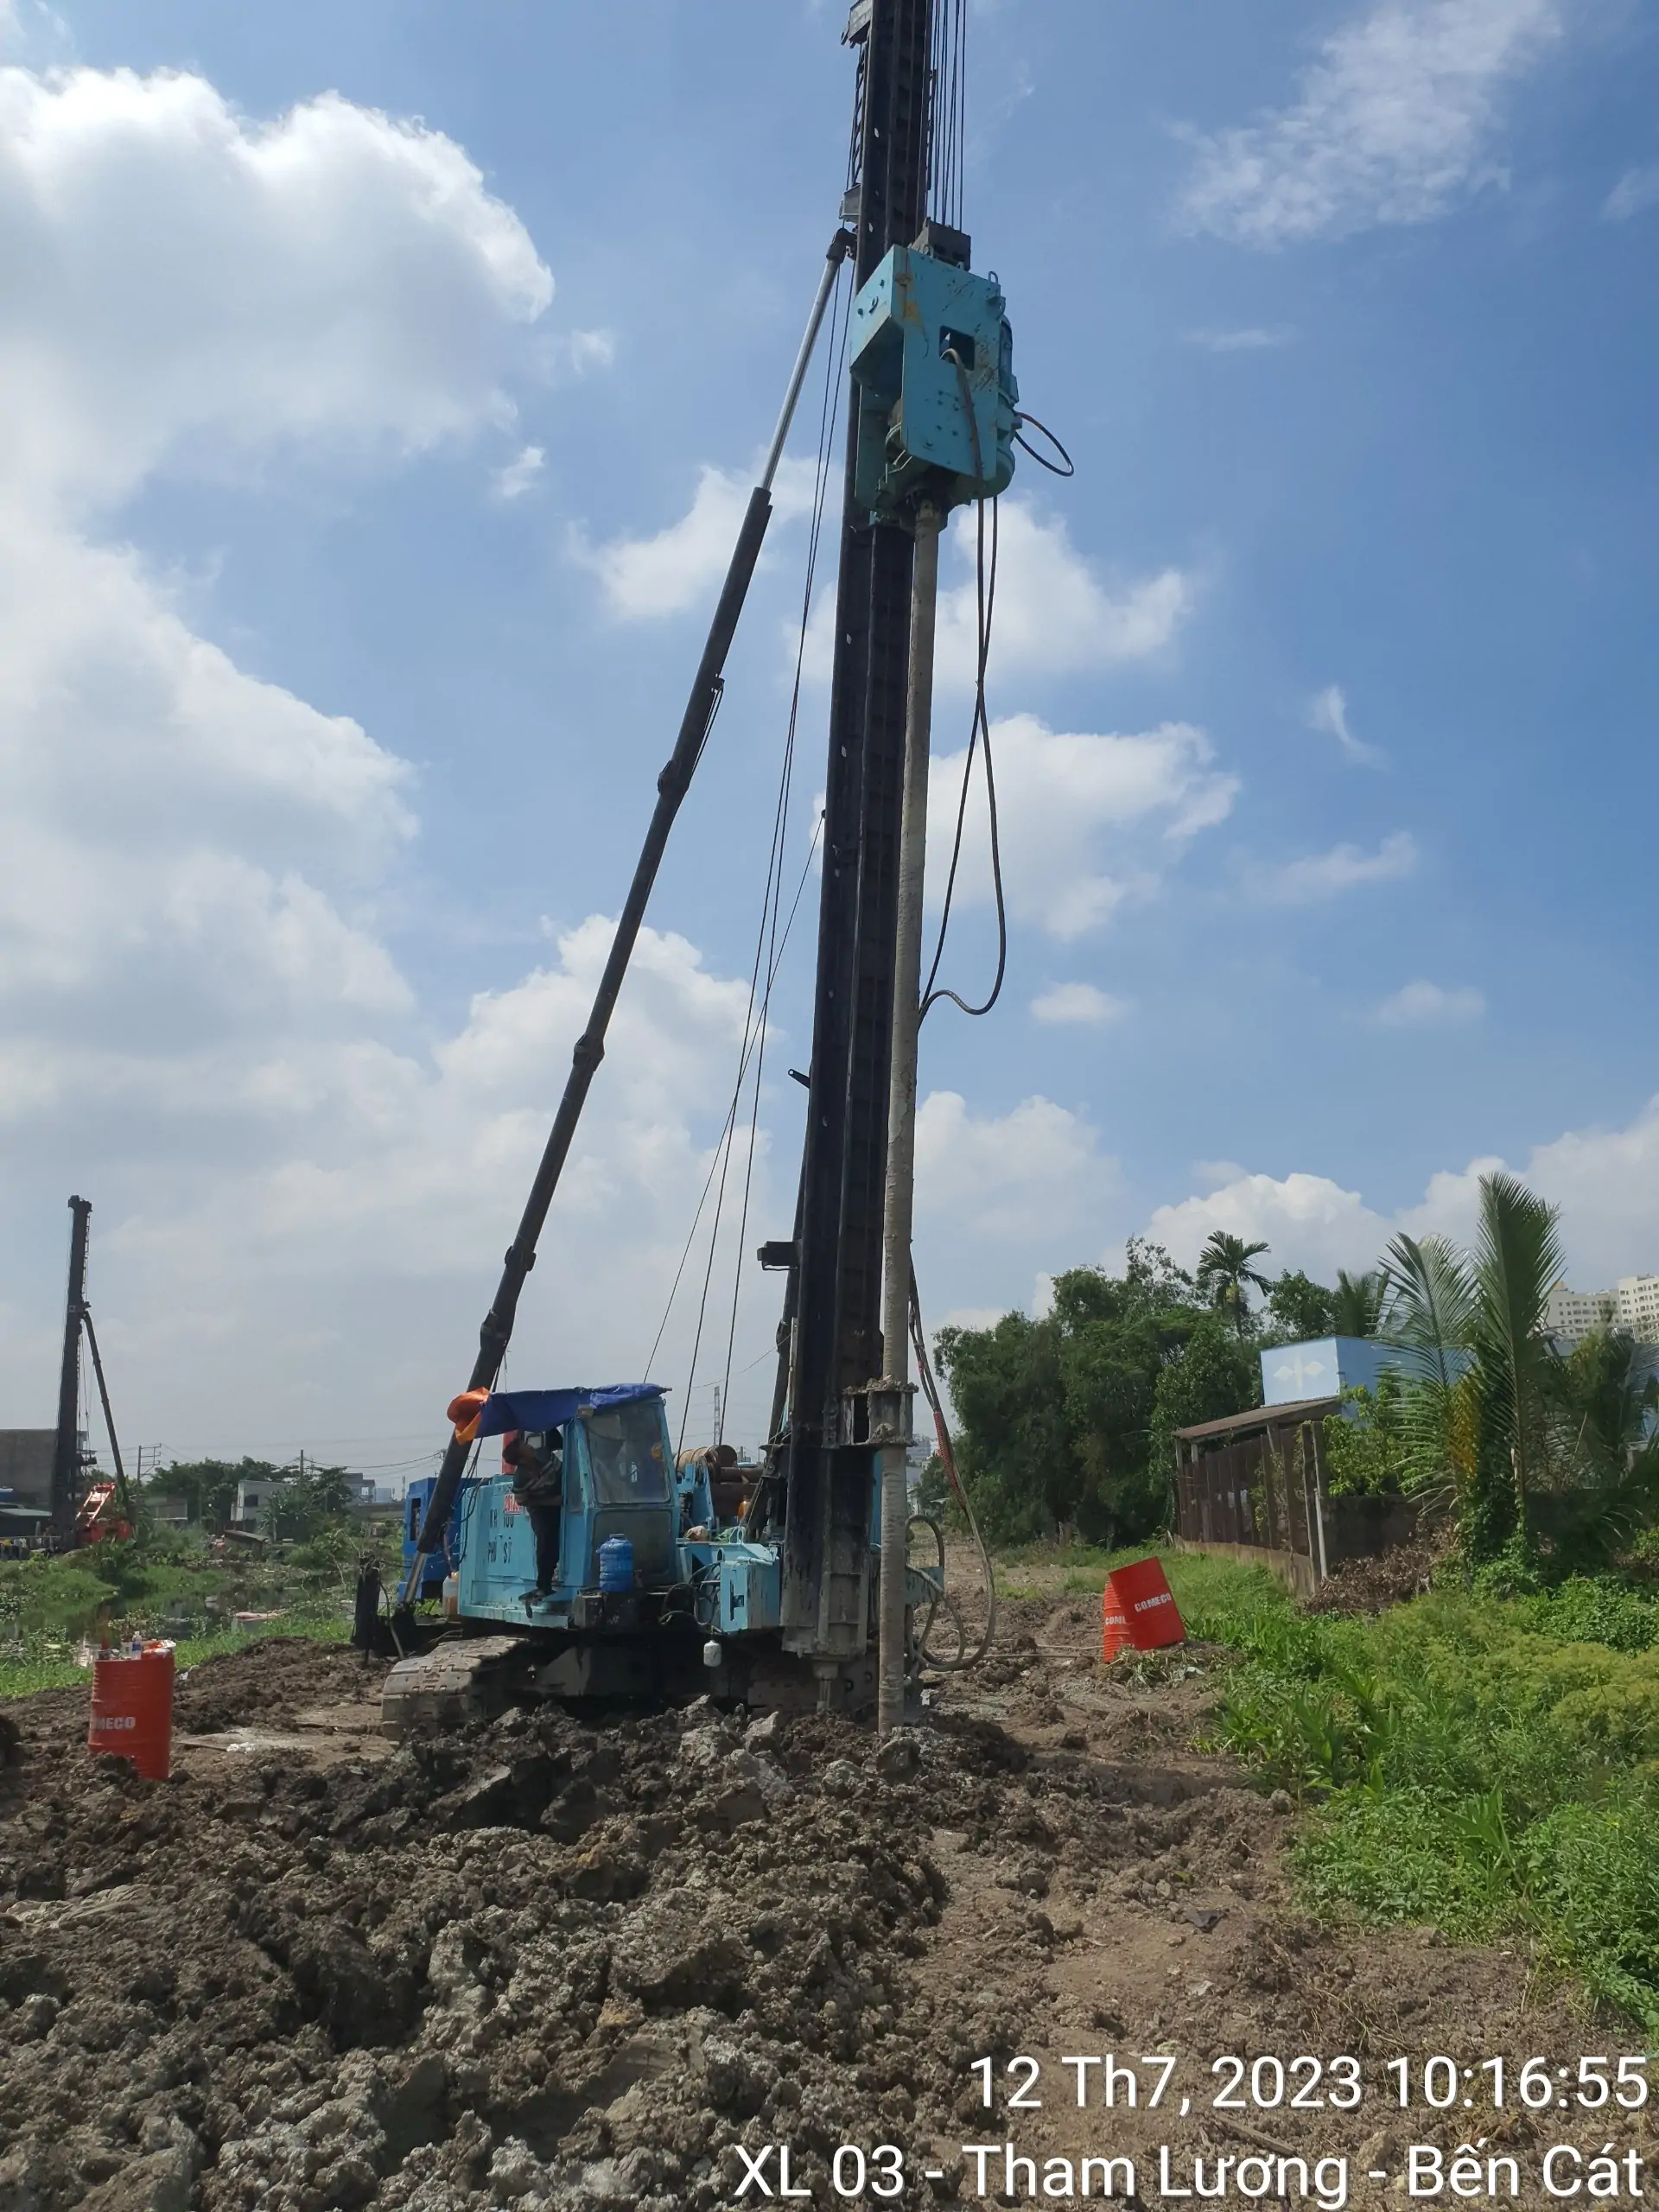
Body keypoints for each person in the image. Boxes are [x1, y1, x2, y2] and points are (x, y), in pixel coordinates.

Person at [503, 1431, 563, 1599]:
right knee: (545, 1538)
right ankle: (544, 1585)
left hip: (559, 1498)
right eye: (524, 1446)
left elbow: (562, 1472)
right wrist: (551, 1501)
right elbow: (522, 1501)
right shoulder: (520, 1479)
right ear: (521, 1459)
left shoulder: (545, 1455)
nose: (529, 1446)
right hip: (539, 1508)